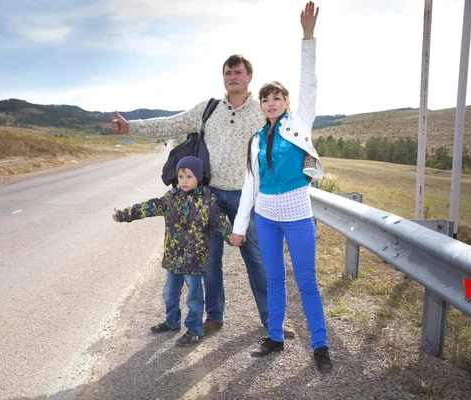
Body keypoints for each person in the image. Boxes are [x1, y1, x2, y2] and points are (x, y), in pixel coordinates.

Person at [112, 42, 296, 340]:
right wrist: (130, 126)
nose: (232, 76)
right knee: (208, 262)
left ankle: (272, 320)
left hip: (247, 198)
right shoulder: (209, 109)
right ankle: (215, 317)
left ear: (249, 76)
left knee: (258, 261)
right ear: (223, 78)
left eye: (238, 72)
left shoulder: (262, 109)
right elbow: (171, 124)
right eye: (227, 72)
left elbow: (288, 140)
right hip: (208, 197)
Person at [231, 2, 332, 372]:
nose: (271, 102)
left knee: (306, 280)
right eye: (266, 98)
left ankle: (320, 345)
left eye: (277, 98)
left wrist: (308, 37)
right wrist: (240, 227)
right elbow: (249, 187)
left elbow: (310, 82)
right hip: (267, 219)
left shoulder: (299, 124)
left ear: (287, 102)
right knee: (274, 280)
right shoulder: (256, 140)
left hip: (298, 215)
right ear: (260, 105)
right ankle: (274, 337)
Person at [112, 156, 237, 346]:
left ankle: (194, 330)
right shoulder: (171, 198)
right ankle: (172, 322)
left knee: (193, 298)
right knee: (169, 293)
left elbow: (220, 224)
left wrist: (231, 236)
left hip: (195, 260)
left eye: (189, 176)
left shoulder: (208, 201)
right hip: (174, 258)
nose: (184, 181)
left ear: (199, 178)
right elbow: (149, 207)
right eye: (180, 176)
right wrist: (124, 215)